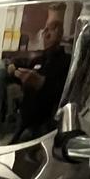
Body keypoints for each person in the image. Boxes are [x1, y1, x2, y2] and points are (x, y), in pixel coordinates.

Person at [12, 9, 71, 139]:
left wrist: (42, 83)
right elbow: (22, 73)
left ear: (61, 32)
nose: (47, 34)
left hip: (45, 127)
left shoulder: (68, 62)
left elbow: (67, 95)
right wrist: (13, 70)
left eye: (53, 28)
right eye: (46, 30)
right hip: (25, 118)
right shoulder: (37, 60)